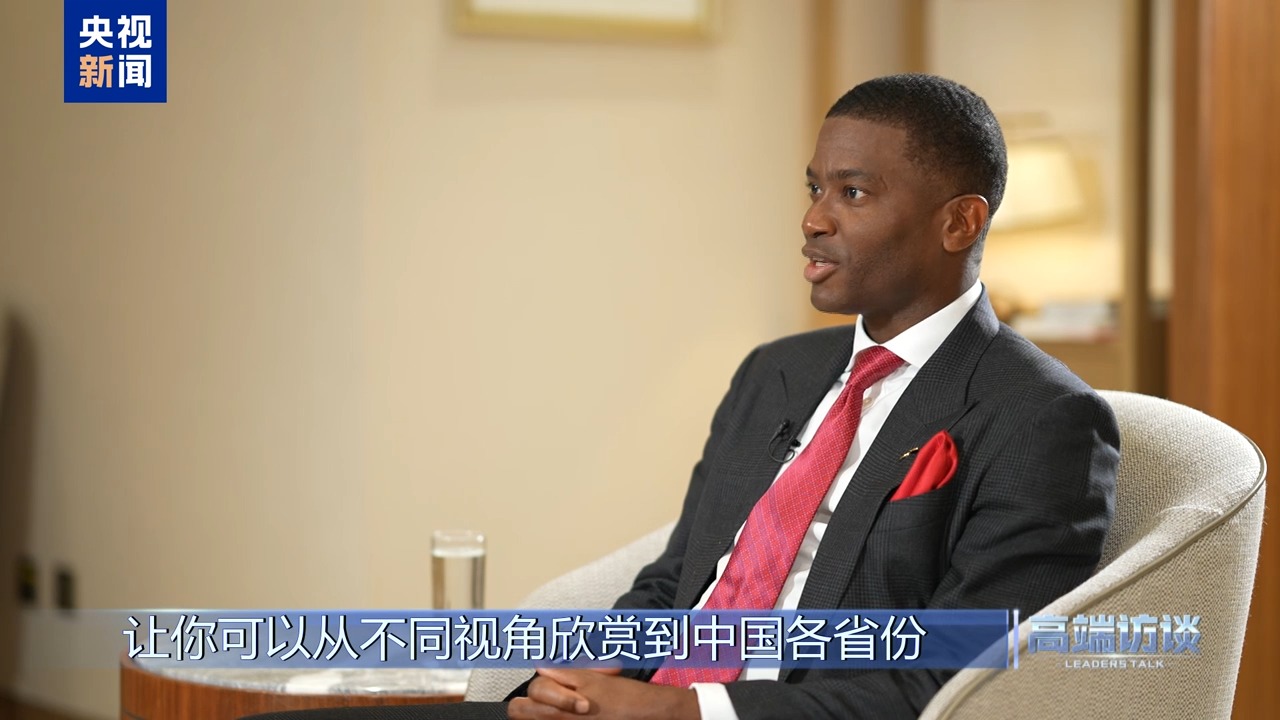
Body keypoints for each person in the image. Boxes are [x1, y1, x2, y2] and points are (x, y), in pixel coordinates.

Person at [246, 73, 1117, 720]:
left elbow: (961, 681)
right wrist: (574, 685)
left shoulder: (1044, 420)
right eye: (814, 189)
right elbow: (675, 584)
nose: (813, 219)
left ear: (960, 222)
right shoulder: (775, 373)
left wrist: (690, 712)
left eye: (852, 193)